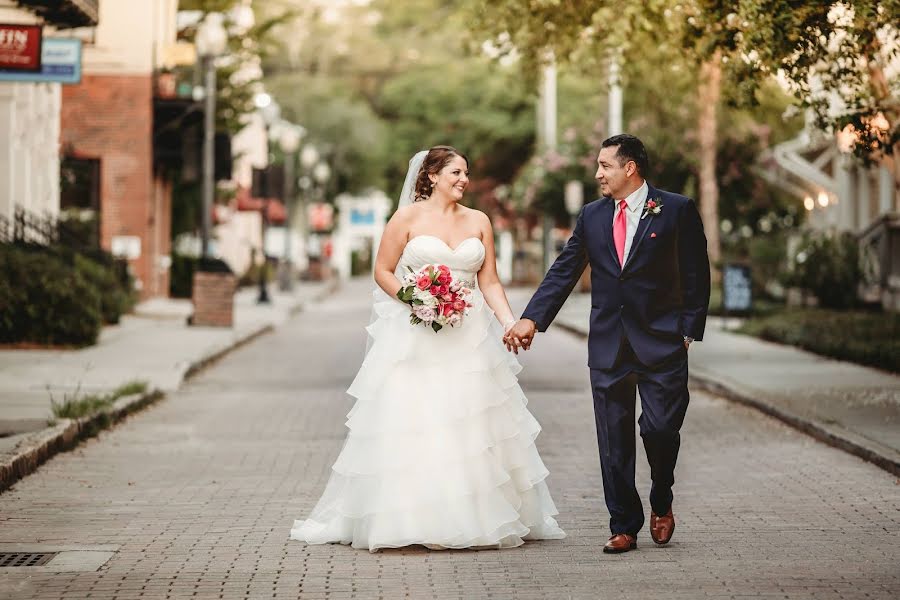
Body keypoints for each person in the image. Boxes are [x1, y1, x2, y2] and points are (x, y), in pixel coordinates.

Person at [290, 146, 565, 552]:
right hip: (417, 334)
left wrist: (509, 322)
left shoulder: (479, 221)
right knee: (420, 419)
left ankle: (475, 516)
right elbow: (382, 270)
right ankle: (411, 517)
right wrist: (415, 298)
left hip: (470, 335)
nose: (463, 180)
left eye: (466, 173)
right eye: (456, 172)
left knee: (470, 421)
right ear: (432, 176)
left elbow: (488, 281)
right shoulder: (406, 219)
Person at [505, 134, 711, 554]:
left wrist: (688, 331)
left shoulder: (675, 209)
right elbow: (565, 269)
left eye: (605, 166)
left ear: (630, 167)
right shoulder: (593, 216)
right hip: (608, 343)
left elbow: (696, 273)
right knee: (613, 437)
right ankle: (623, 524)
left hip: (663, 341)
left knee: (660, 429)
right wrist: (531, 318)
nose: (598, 174)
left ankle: (662, 496)